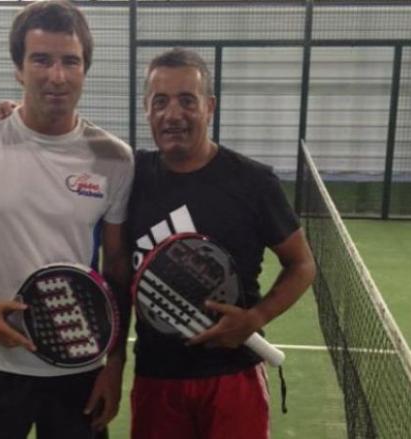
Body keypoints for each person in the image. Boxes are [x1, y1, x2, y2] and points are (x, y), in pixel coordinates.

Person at [0, 2, 133, 439]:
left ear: (85, 69)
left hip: (80, 367)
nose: (57, 75)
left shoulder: (114, 159)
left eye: (70, 61)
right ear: (18, 68)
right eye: (41, 59)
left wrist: (115, 363)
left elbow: (117, 269)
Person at [126, 48, 316, 439]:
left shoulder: (254, 183)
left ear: (209, 107)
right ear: (146, 108)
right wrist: (11, 116)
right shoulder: (129, 175)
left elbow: (302, 265)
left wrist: (256, 318)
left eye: (186, 100)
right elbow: (67, 143)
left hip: (233, 376)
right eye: (159, 102)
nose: (172, 114)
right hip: (156, 378)